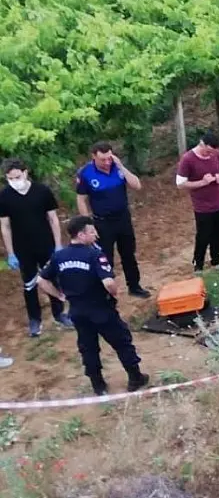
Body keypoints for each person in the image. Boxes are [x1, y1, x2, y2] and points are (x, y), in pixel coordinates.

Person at [36, 216, 149, 395]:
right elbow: (108, 282)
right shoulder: (94, 254)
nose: (96, 234)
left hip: (77, 311)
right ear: (81, 235)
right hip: (100, 308)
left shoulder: (59, 256)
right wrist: (114, 293)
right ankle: (135, 378)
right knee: (121, 341)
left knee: (88, 347)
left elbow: (41, 280)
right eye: (91, 231)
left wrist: (59, 296)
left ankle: (98, 385)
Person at [0, 159, 72, 337]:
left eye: (17, 177)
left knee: (53, 280)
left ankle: (59, 314)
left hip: (45, 244)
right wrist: (10, 253)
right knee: (29, 284)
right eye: (10, 178)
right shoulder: (4, 196)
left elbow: (53, 219)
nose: (14, 181)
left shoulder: (42, 191)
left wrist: (58, 245)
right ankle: (35, 320)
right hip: (22, 248)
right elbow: (5, 226)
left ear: (25, 173)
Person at [75, 142, 151, 298]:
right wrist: (88, 225)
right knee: (105, 258)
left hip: (123, 219)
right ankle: (106, 292)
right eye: (103, 159)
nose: (107, 162)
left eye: (109, 158)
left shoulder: (117, 168)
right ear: (93, 156)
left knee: (128, 254)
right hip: (102, 223)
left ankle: (134, 286)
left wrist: (121, 166)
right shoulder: (86, 173)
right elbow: (81, 200)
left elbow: (137, 185)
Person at [176, 132, 219, 274]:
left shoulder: (216, 154)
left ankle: (216, 261)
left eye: (213, 152)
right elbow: (180, 184)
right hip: (203, 207)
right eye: (209, 151)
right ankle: (198, 265)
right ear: (203, 145)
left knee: (218, 234)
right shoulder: (188, 159)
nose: (210, 154)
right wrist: (202, 182)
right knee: (203, 236)